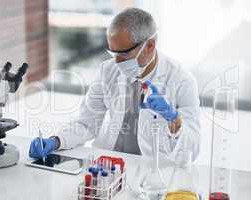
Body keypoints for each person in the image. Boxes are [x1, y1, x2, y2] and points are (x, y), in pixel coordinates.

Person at [29, 8, 201, 161]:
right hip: (108, 162)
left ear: (149, 45)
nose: (117, 62)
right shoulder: (107, 70)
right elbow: (87, 123)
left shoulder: (182, 80)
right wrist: (56, 141)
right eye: (113, 53)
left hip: (152, 169)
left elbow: (193, 150)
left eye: (123, 54)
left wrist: (174, 120)